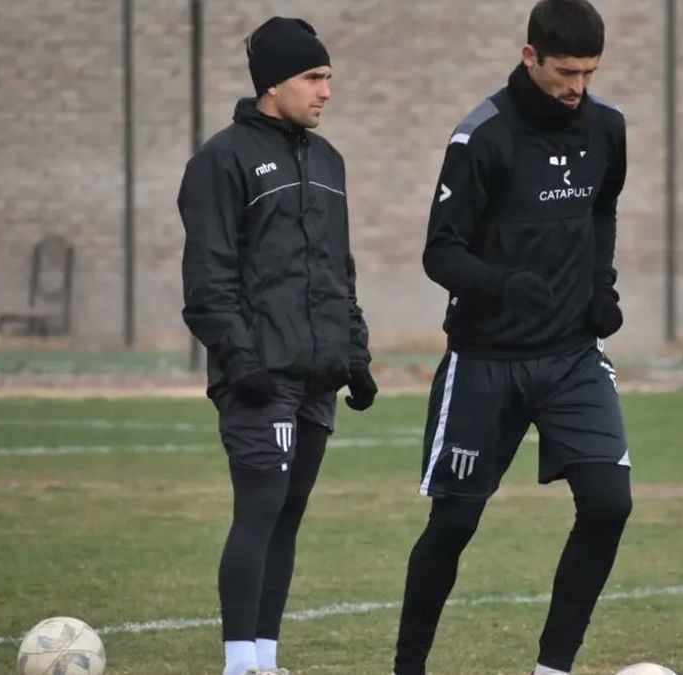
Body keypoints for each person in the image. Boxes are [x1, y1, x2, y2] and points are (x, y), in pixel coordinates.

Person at [391, 1, 630, 673]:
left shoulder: (607, 128)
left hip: (573, 356)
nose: (577, 85)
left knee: (610, 504)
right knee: (454, 524)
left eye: (589, 71)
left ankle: (553, 665)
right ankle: (407, 665)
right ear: (530, 56)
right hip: (485, 362)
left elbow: (601, 210)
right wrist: (502, 284)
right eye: (565, 70)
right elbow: (440, 253)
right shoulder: (482, 137)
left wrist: (600, 285)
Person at [177, 17, 377, 675]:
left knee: (288, 516)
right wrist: (241, 362)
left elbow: (337, 269)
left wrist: (357, 355)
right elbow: (209, 278)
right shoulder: (222, 159)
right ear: (273, 84)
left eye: (328, 78)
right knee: (259, 510)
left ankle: (265, 658)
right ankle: (239, 663)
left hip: (318, 376)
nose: (326, 91)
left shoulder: (329, 161)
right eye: (314, 78)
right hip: (260, 375)